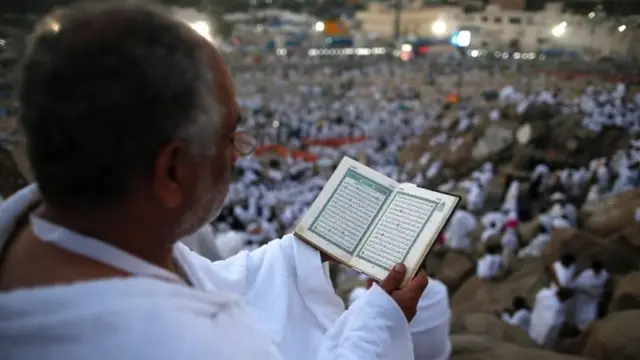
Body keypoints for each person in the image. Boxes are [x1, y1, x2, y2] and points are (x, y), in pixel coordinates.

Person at [0, 3, 429, 360]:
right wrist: (378, 322)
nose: (239, 152)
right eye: (229, 137)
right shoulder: (183, 346)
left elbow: (203, 284)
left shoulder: (49, 231)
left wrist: (298, 255)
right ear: (171, 171)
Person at [569, 260, 609, 330]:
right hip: (584, 299)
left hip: (593, 299)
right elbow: (577, 285)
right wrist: (589, 290)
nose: (597, 271)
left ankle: (588, 329)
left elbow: (604, 283)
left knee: (592, 315)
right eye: (596, 269)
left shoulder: (604, 274)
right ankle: (579, 329)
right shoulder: (585, 275)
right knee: (581, 315)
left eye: (599, 270)